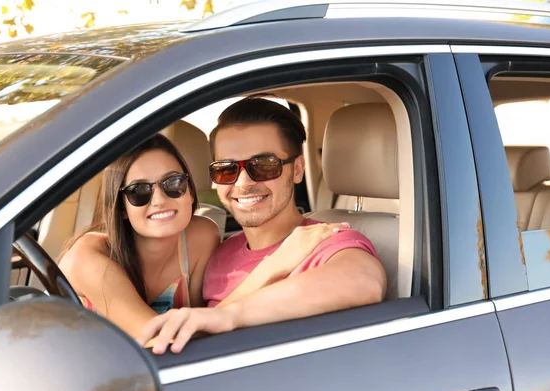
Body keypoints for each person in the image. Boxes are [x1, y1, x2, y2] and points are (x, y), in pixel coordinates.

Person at [137, 96, 387, 354]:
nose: (243, 183)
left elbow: (363, 281)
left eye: (264, 166)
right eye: (226, 169)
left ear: (298, 169)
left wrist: (230, 316)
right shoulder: (218, 254)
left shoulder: (324, 239)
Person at [58, 134, 344, 340]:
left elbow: (201, 331)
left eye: (173, 183)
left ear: (190, 191)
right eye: (139, 191)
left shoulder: (200, 235)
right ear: (120, 207)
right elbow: (158, 339)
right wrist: (272, 266)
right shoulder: (88, 257)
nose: (158, 200)